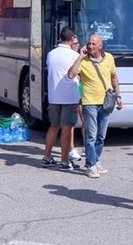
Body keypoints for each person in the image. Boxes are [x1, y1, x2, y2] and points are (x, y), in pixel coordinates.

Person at [68, 34, 122, 178]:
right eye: (89, 43)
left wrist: (118, 96)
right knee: (91, 135)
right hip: (89, 102)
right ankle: (90, 165)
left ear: (100, 46)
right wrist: (79, 57)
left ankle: (96, 160)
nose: (90, 46)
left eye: (93, 44)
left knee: (101, 136)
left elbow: (114, 77)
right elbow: (71, 75)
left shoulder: (109, 58)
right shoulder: (83, 61)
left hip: (106, 102)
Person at [41, 27, 81, 171]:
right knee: (67, 128)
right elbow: (78, 72)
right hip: (69, 97)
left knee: (54, 126)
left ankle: (47, 156)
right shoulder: (73, 55)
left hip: (54, 97)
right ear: (71, 40)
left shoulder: (51, 54)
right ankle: (64, 161)